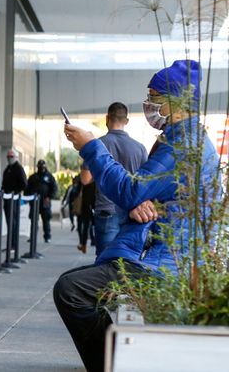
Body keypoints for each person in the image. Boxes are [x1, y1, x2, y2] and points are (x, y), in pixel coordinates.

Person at [54, 60, 221, 372]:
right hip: (161, 255)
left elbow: (131, 188)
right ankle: (114, 360)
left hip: (162, 264)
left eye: (155, 98)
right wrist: (145, 203)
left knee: (71, 291)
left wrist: (92, 147)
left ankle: (110, 364)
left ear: (178, 102)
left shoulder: (183, 145)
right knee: (72, 283)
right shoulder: (183, 140)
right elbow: (145, 193)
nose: (149, 105)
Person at [92, 102, 148, 254]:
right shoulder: (140, 148)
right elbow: (145, 183)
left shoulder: (99, 144)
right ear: (126, 121)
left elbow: (85, 178)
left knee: (104, 263)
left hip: (106, 210)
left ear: (107, 118)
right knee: (126, 263)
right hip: (131, 212)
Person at [26, 159, 59, 243]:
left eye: (42, 166)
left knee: (46, 220)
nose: (41, 167)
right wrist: (28, 198)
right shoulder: (33, 177)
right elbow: (27, 189)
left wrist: (49, 197)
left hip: (45, 201)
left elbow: (54, 188)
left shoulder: (49, 177)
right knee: (34, 220)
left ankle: (47, 237)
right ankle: (33, 237)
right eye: (40, 166)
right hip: (34, 202)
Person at [1, 149, 28, 251]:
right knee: (9, 223)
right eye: (8, 157)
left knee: (13, 223)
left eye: (11, 157)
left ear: (16, 157)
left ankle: (13, 245)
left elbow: (23, 184)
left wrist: (14, 192)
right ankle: (10, 245)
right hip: (7, 199)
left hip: (13, 199)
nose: (9, 159)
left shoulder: (18, 168)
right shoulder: (8, 168)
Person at [74, 167, 97, 254]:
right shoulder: (96, 177)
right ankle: (92, 242)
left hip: (85, 205)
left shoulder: (83, 177)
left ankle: (83, 244)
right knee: (94, 225)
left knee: (85, 225)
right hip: (95, 205)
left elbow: (77, 191)